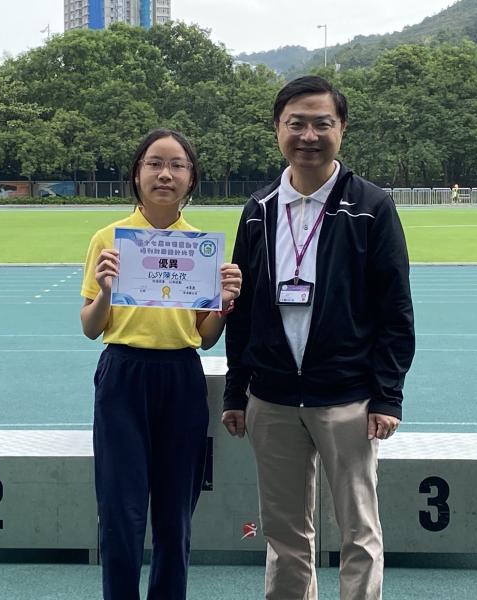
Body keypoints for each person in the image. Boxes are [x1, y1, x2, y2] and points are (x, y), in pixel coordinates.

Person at [222, 76, 415, 600]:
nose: (308, 134)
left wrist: (386, 394)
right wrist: (237, 391)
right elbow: (240, 312)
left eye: (321, 123)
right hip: (273, 397)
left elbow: (396, 310)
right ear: (277, 129)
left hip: (347, 397)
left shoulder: (371, 207)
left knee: (359, 532)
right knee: (285, 534)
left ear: (342, 129)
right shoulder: (258, 209)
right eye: (296, 123)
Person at [80, 128, 242, 600]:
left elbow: (205, 338)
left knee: (175, 514)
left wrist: (225, 304)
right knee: (121, 511)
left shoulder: (201, 247)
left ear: (192, 179)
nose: (165, 174)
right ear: (137, 174)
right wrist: (106, 289)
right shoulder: (108, 239)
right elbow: (91, 328)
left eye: (177, 165)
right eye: (154, 163)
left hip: (181, 377)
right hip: (122, 376)